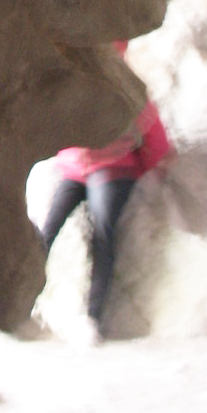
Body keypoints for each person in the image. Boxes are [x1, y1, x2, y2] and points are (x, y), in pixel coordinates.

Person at [40, 81, 173, 339]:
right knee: (48, 232)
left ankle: (92, 318)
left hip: (110, 167)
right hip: (79, 166)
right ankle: (23, 297)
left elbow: (152, 131)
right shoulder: (102, 78)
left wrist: (141, 168)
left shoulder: (119, 82)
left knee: (99, 235)